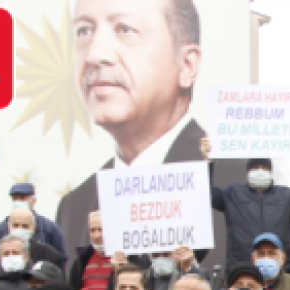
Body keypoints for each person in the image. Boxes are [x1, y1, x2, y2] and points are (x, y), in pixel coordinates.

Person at [57, 0, 245, 272]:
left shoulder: (236, 183)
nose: (94, 55)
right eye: (84, 31)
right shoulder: (74, 206)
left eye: (125, 29)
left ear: (187, 65)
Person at [200, 139, 290, 267]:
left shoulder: (286, 195)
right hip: (242, 268)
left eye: (264, 168)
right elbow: (207, 195)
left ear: (270, 173)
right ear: (247, 174)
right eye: (255, 168)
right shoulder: (232, 193)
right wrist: (208, 162)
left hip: (279, 267)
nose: (260, 171)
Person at [0, 204, 65, 276]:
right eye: (15, 225)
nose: (19, 229)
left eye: (25, 226)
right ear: (8, 226)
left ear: (34, 228)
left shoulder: (50, 255)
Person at [0, 182, 67, 256]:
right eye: (15, 198)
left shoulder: (49, 228)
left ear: (33, 201)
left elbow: (61, 257)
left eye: (22, 198)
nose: (18, 202)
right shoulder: (1, 229)